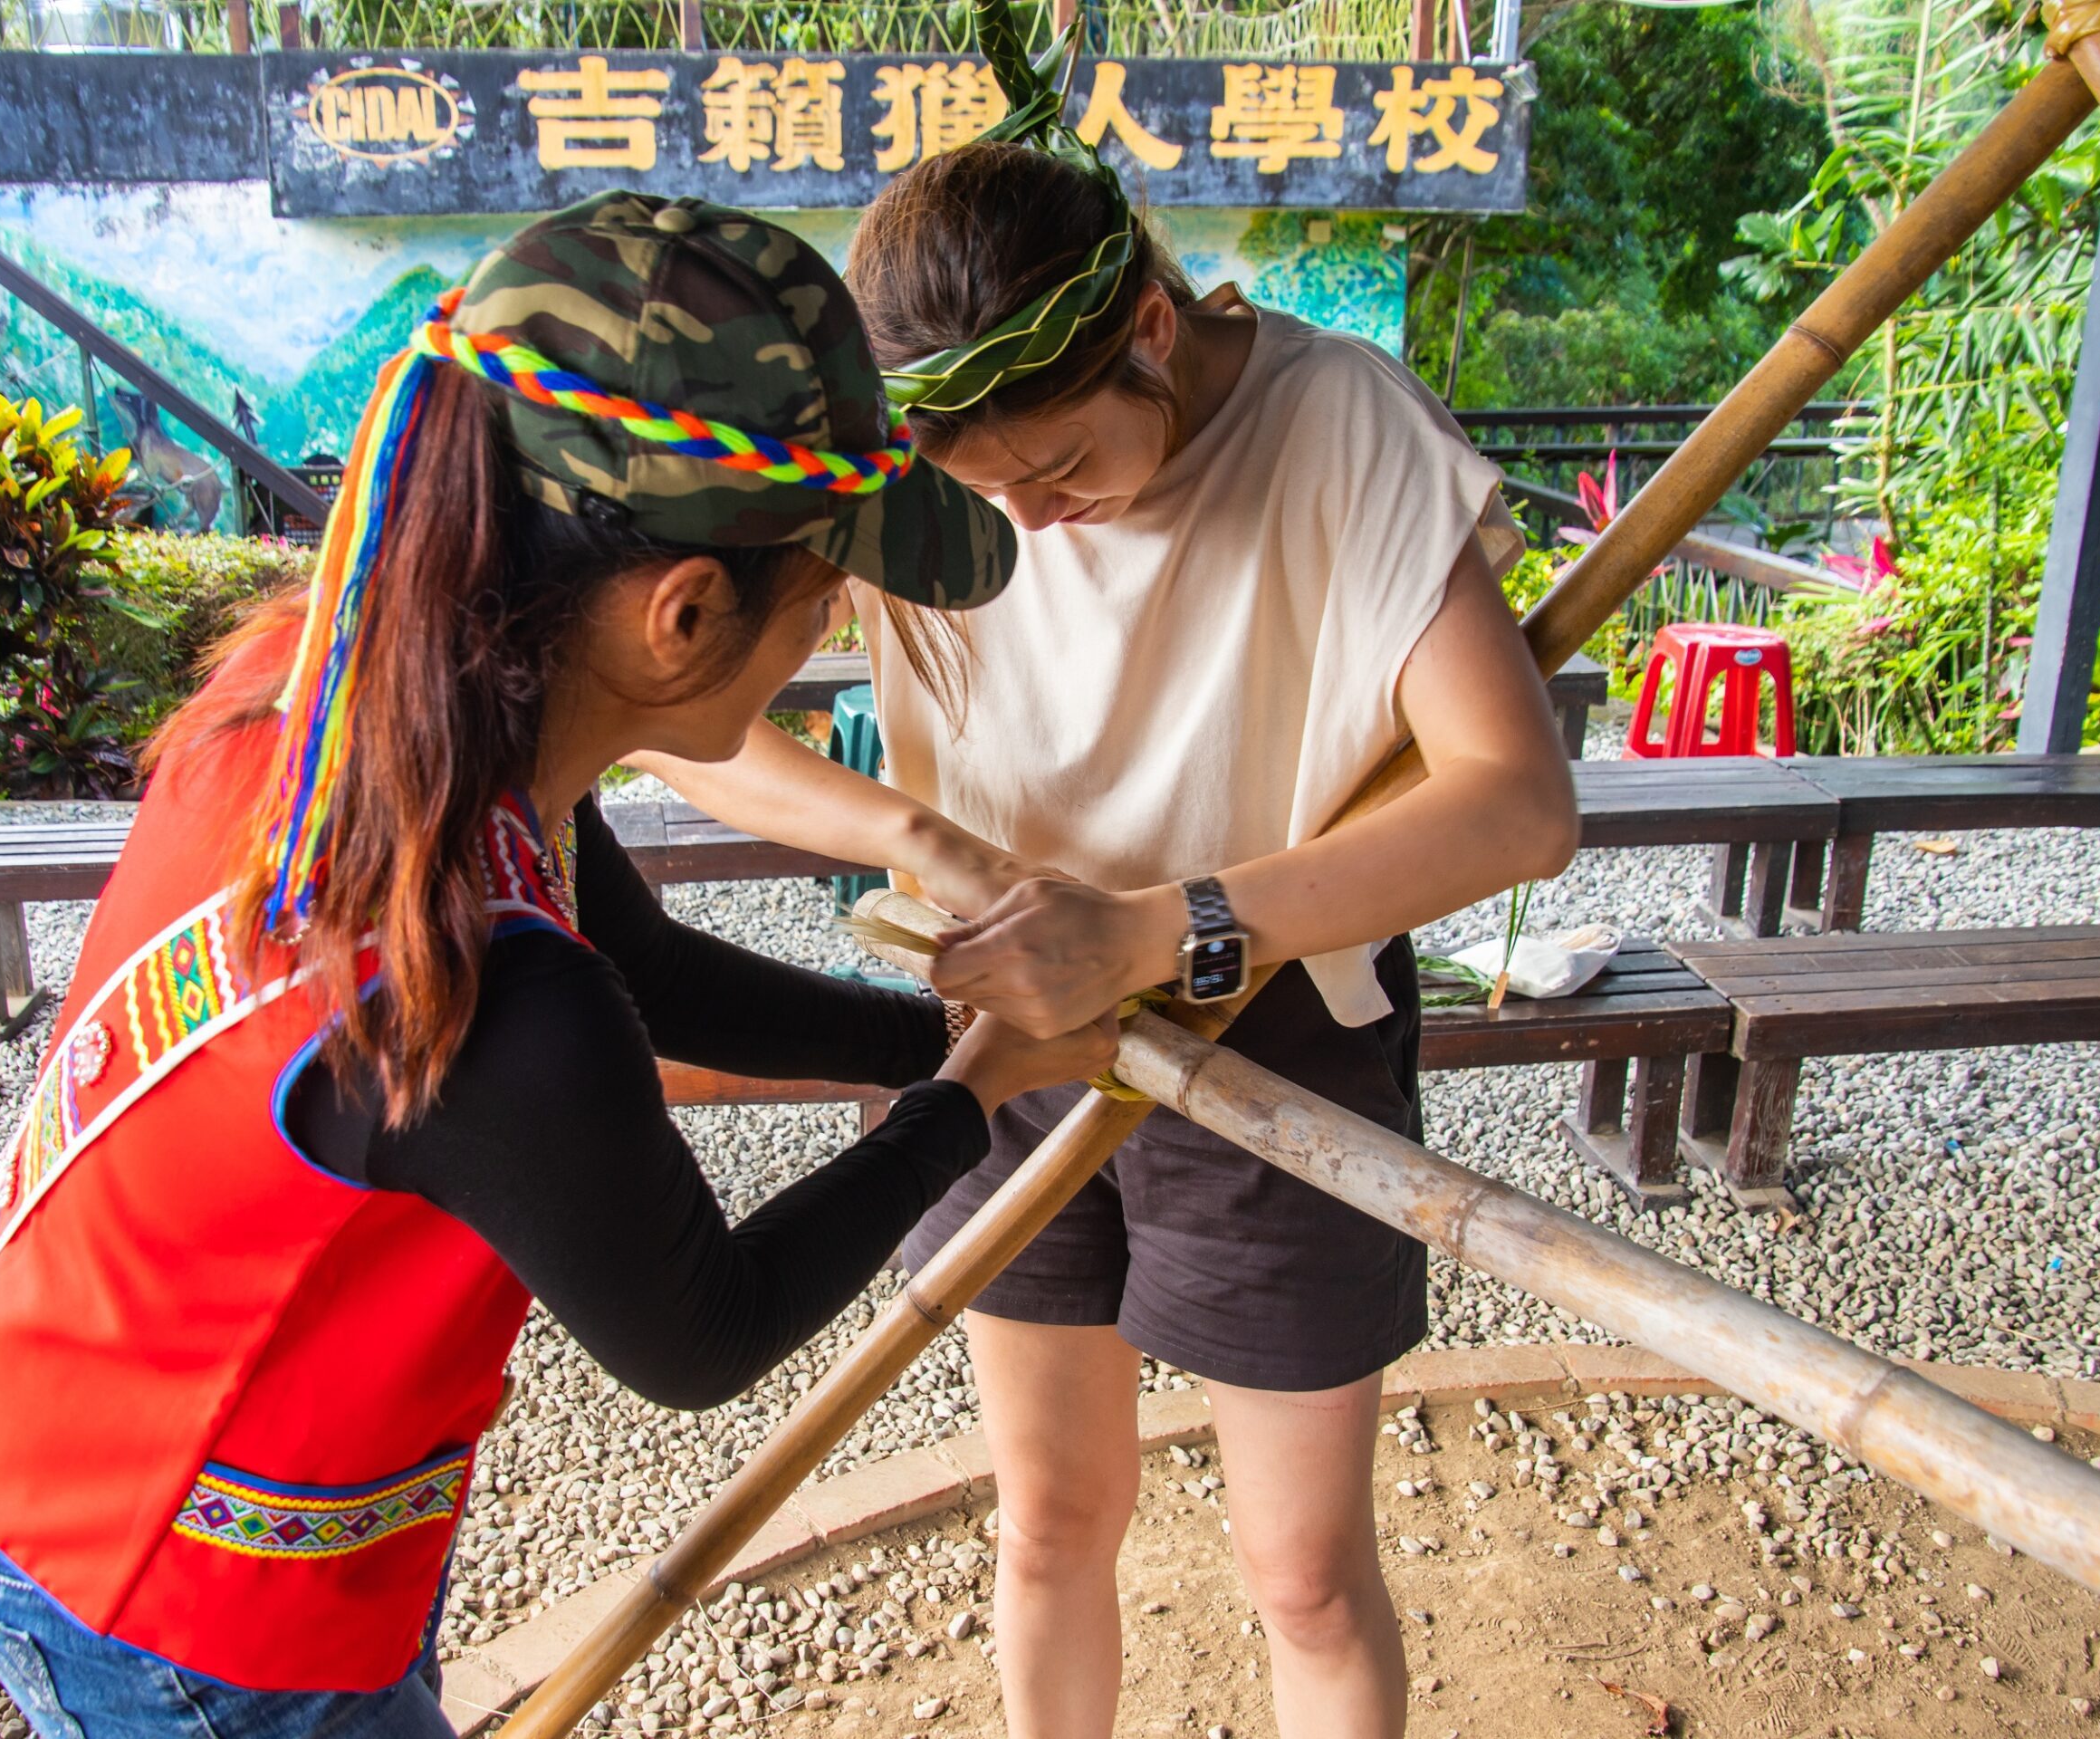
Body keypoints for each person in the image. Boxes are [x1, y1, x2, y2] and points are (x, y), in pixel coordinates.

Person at [0, 191, 1116, 1739]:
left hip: (59, 1398)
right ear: (684, 614)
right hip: (165, 1595)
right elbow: (704, 1329)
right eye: (823, 606)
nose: (824, 632)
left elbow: (652, 969)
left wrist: (929, 1031)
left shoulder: (359, 686)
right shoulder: (492, 996)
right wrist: (974, 1093)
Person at [629, 32, 1581, 1736]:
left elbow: (1516, 805)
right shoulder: (910, 468)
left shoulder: (1336, 425)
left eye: (1059, 470)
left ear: (1149, 330)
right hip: (993, 1029)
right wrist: (928, 844)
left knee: (1298, 1568)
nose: (1036, 525)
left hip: (1268, 1021)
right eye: (986, 497)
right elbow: (673, 728)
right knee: (1054, 1518)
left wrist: (1163, 928)